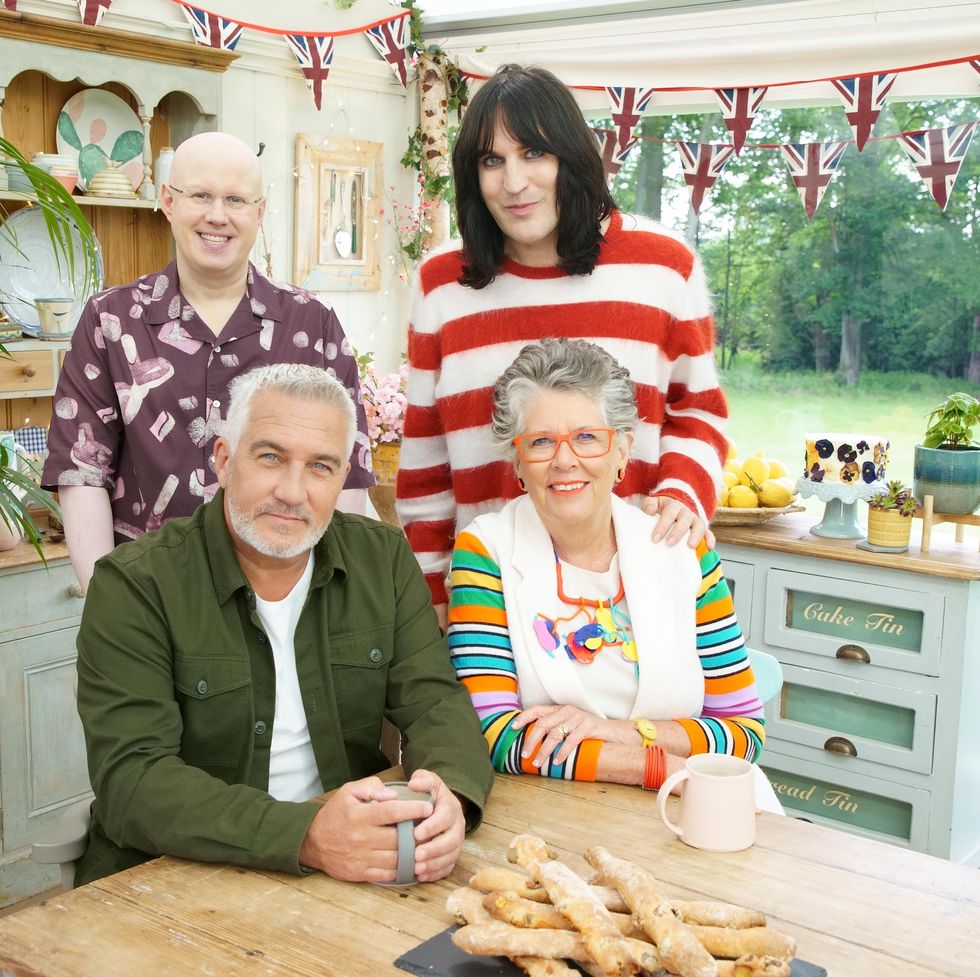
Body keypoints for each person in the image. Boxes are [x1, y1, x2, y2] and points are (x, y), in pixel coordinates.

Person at [74, 363, 492, 887]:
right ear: (224, 461)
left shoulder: (382, 560)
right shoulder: (136, 585)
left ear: (343, 477)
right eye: (271, 457)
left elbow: (435, 703)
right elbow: (131, 780)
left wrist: (449, 794)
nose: (293, 492)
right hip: (174, 874)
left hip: (350, 864)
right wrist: (308, 834)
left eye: (321, 467)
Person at [396, 64, 727, 628]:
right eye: (491, 160)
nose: (514, 182)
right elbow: (426, 478)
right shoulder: (441, 286)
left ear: (572, 158)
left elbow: (698, 415)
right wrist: (434, 613)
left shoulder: (665, 268)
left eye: (533, 155)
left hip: (638, 601)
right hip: (490, 611)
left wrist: (682, 492)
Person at [42, 132, 374, 595]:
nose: (217, 216)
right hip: (149, 599)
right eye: (200, 195)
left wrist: (331, 600)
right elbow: (82, 473)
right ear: (168, 201)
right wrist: (107, 605)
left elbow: (347, 475)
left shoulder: (312, 323)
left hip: (286, 599)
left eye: (235, 199)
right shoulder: (111, 321)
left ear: (259, 212)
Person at [448, 339, 769, 798]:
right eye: (540, 441)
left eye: (587, 437)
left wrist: (615, 732)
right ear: (517, 461)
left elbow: (743, 732)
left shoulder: (684, 548)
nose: (564, 460)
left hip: (700, 805)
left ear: (622, 452)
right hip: (561, 810)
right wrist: (653, 765)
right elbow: (496, 735)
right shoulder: (486, 550)